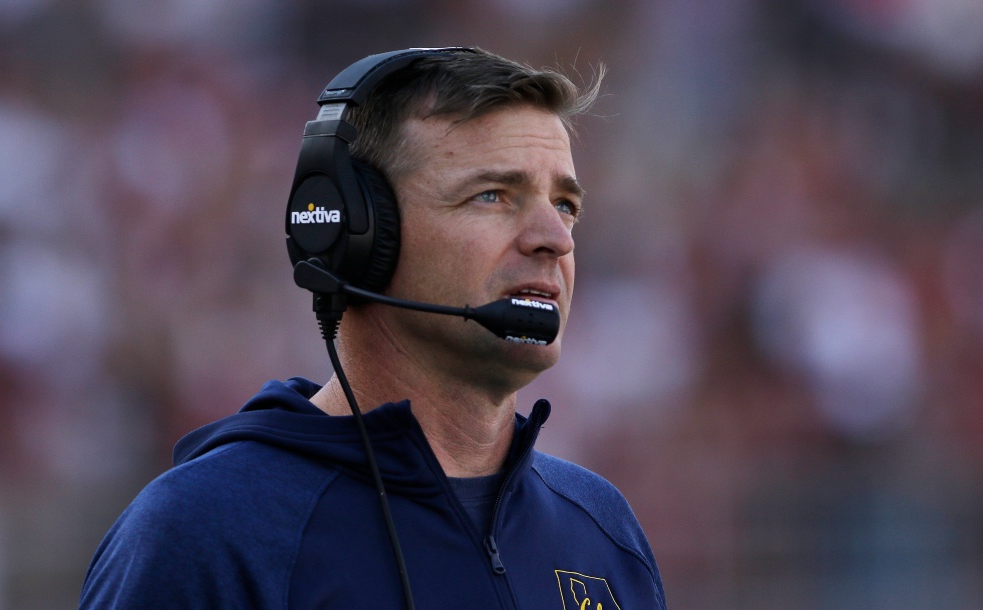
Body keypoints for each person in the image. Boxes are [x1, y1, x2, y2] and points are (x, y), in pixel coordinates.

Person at [80, 47, 667, 610]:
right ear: (357, 236)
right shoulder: (209, 532)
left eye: (565, 205)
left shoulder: (602, 531)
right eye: (493, 196)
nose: (555, 239)